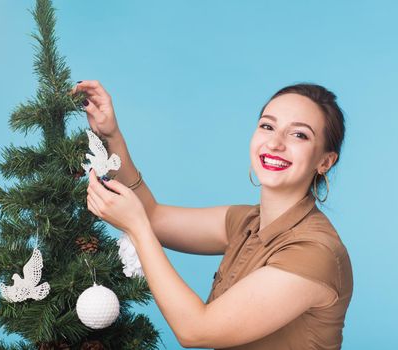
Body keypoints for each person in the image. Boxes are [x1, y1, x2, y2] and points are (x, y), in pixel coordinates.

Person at [74, 80, 353, 349]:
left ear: (324, 162)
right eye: (267, 126)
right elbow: (154, 216)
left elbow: (196, 330)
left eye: (299, 134)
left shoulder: (315, 252)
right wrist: (111, 136)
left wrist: (137, 228)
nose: (275, 143)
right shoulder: (246, 222)